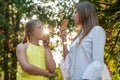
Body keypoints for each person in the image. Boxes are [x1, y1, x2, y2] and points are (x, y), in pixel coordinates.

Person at [60, 1, 111, 80]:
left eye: (76, 12)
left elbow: (98, 62)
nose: (73, 16)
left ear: (84, 13)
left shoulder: (97, 31)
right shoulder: (77, 38)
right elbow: (68, 63)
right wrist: (64, 40)